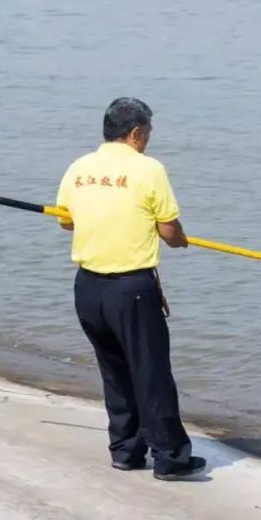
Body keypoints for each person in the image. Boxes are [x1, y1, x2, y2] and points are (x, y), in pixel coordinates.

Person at [56, 97, 205, 481]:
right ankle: (170, 457)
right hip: (132, 289)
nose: (150, 140)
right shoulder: (148, 169)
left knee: (115, 371)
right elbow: (170, 232)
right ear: (137, 133)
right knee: (151, 372)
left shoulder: (79, 167)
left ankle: (126, 451)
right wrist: (180, 239)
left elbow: (66, 223)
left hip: (88, 289)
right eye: (149, 133)